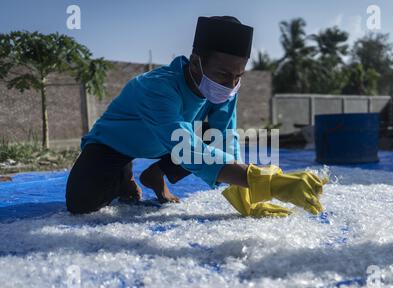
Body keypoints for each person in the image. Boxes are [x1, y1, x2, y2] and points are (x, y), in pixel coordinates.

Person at [65, 16, 327, 217]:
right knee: (81, 203)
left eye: (239, 76)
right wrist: (267, 181)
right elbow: (187, 149)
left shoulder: (227, 89)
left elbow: (224, 137)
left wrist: (246, 193)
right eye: (224, 75)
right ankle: (124, 174)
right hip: (115, 145)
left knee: (210, 141)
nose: (231, 84)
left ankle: (155, 174)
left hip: (172, 143)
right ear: (195, 62)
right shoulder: (156, 88)